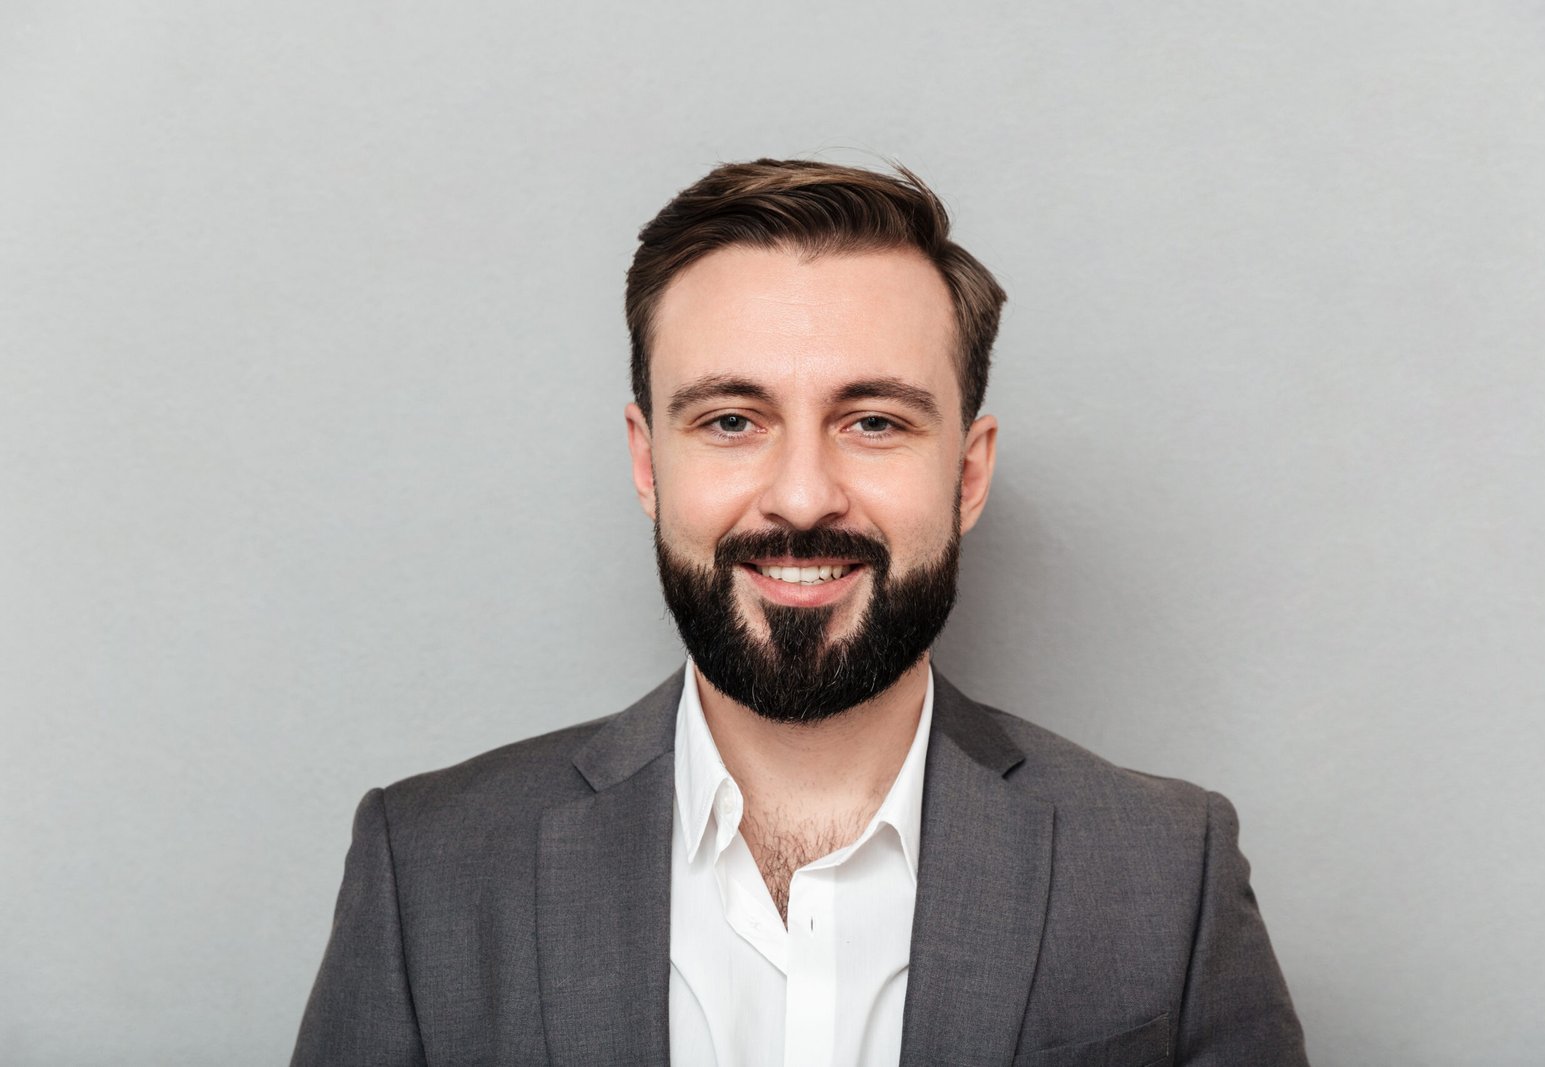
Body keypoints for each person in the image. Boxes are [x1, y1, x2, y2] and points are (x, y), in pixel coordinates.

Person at [292, 159, 1308, 1066]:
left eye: (873, 421)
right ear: (650, 462)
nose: (801, 495)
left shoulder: (1166, 870)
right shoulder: (426, 866)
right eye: (732, 420)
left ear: (968, 471)